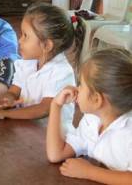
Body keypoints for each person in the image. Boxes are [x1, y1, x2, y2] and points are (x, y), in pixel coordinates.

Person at [0, 3, 84, 123]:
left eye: (25, 36)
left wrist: (6, 113)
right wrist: (4, 101)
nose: (20, 40)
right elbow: (14, 91)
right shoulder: (27, 63)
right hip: (28, 128)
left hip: (51, 136)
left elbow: (44, 109)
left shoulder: (61, 72)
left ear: (46, 45)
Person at [46, 48, 132, 184]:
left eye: (81, 84)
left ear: (97, 100)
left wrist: (89, 172)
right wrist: (56, 106)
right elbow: (55, 154)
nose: (77, 89)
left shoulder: (128, 133)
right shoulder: (91, 121)